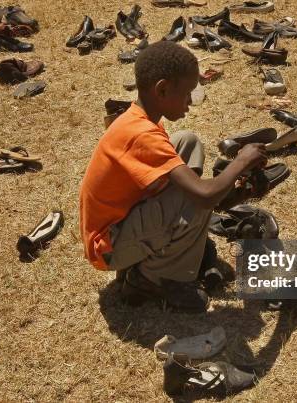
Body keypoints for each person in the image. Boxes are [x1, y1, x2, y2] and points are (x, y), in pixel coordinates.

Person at [79, 41, 266, 312]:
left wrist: (236, 193)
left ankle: (156, 261)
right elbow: (203, 196)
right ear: (163, 89)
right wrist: (240, 162)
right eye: (188, 92)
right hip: (109, 246)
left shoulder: (141, 120)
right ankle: (150, 279)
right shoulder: (142, 135)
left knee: (187, 143)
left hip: (122, 225)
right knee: (196, 194)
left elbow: (202, 196)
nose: (191, 101)